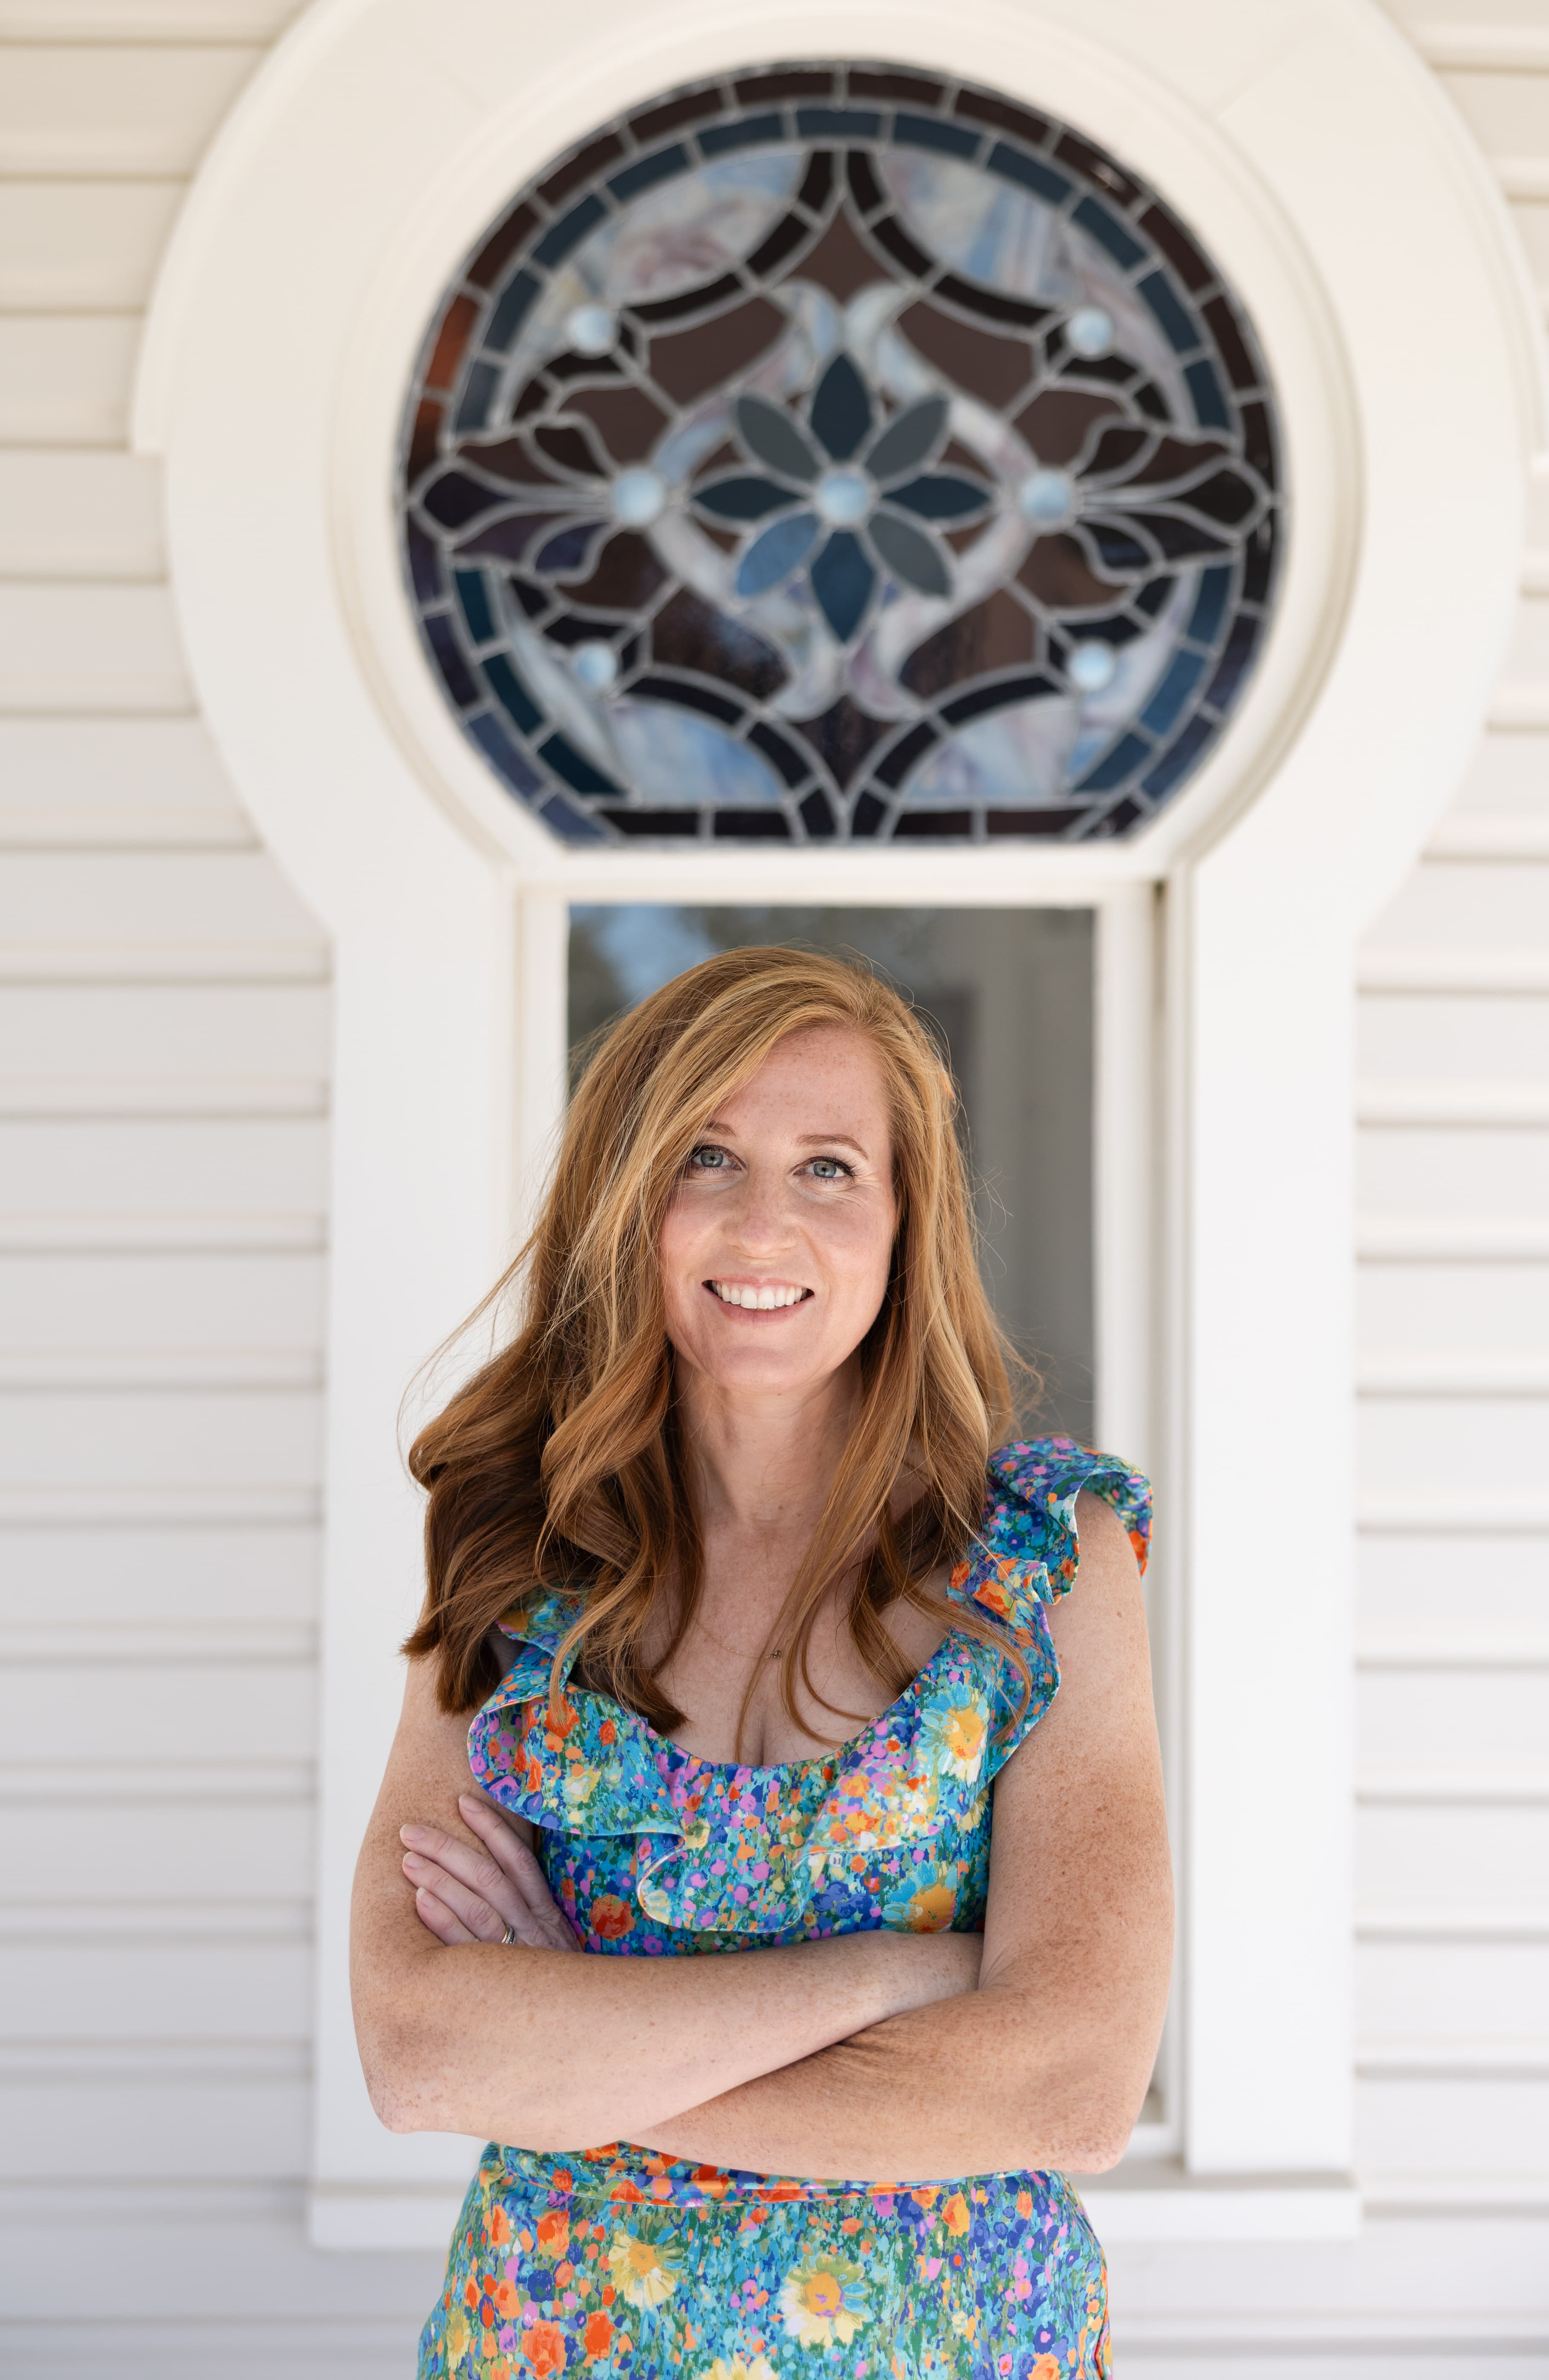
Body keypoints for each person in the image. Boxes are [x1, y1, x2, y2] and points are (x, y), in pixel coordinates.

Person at [351, 946, 1173, 2378]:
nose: (762, 1222)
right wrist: (882, 1979)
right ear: (626, 1201)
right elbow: (423, 2053)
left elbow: (1068, 2086)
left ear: (906, 1221)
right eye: (706, 1157)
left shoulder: (1045, 1563)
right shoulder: (516, 1549)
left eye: (829, 1169)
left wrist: (574, 2063)